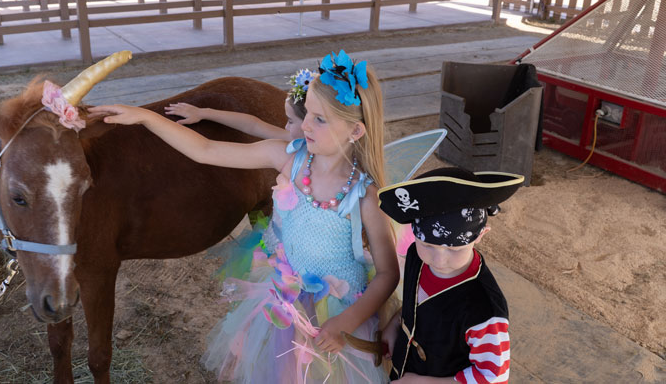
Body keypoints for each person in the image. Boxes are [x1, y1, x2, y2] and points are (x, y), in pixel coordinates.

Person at [91, 50, 398, 383]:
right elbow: (205, 150)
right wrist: (146, 118)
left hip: (338, 314)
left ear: (355, 132)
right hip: (284, 305)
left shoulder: (364, 196)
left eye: (320, 119)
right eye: (307, 112)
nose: (304, 125)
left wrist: (347, 321)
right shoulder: (287, 158)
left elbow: (387, 273)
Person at [377, 167, 523, 383]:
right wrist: (396, 324)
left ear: (481, 235)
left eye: (455, 250)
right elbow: (416, 301)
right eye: (427, 244)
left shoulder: (484, 310)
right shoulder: (416, 257)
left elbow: (493, 376)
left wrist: (425, 382)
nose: (438, 260)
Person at [164, 68, 313, 142]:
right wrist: (204, 112)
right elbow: (253, 125)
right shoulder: (296, 139)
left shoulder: (296, 140)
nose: (286, 126)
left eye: (291, 121)